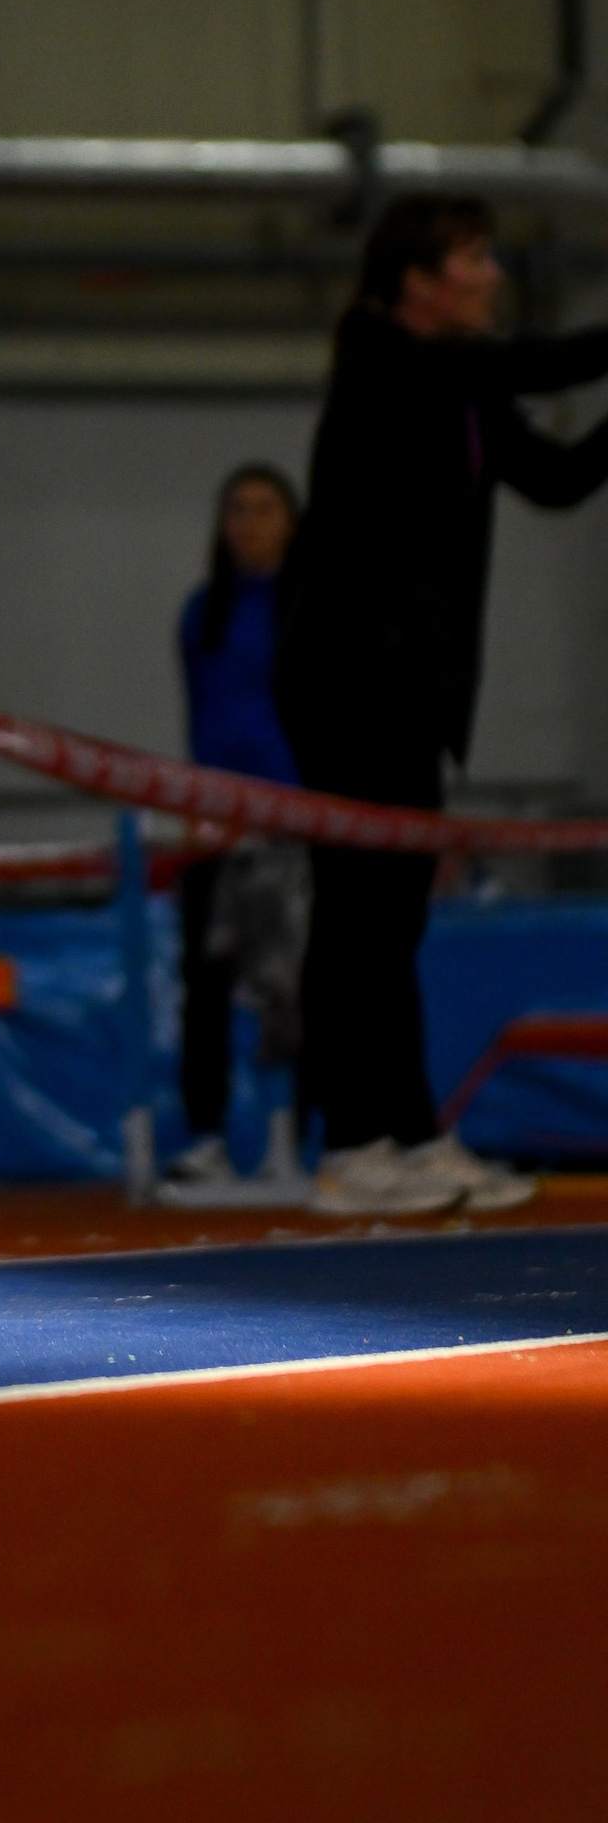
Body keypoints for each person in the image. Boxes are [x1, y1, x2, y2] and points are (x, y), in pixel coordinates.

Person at [276, 192, 608, 1221]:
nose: (494, 273)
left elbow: (552, 477)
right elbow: (539, 362)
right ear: (418, 280)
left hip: (409, 691)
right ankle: (351, 1144)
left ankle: (405, 1135)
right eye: (474, 257)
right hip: (348, 686)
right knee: (357, 915)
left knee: (390, 918)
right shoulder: (387, 363)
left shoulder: (461, 384)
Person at [159, 463, 312, 1205]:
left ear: (291, 520)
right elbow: (205, 715)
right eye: (237, 510)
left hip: (298, 823)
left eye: (265, 508)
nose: (249, 522)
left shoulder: (313, 607)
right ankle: (208, 1139)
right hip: (217, 826)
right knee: (206, 985)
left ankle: (295, 1137)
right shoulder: (201, 612)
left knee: (294, 985)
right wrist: (199, 807)